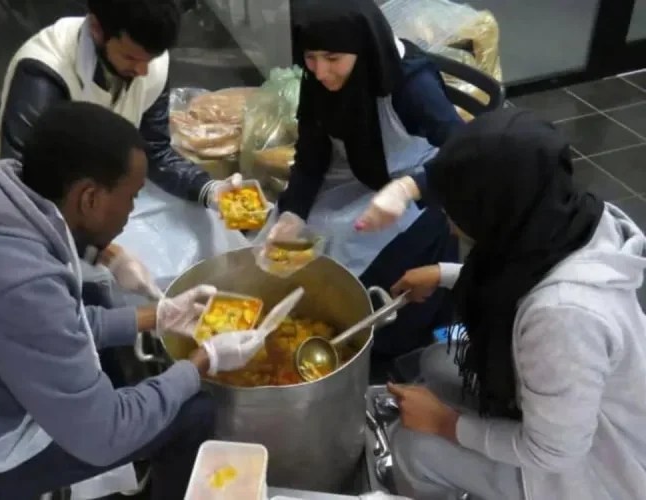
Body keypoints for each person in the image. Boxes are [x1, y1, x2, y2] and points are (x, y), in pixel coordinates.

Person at [0, 102, 265, 500]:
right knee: (190, 413)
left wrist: (157, 316)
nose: (131, 211)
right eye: (132, 196)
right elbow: (106, 435)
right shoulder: (19, 282)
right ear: (89, 198)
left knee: (123, 382)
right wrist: (203, 361)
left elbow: (55, 324)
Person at [386, 109, 646, 500]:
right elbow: (525, 282)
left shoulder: (563, 318)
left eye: (455, 210)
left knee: (411, 446)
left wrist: (445, 424)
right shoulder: (563, 218)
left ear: (496, 209)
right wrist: (444, 274)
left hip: (592, 472)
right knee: (436, 361)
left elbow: (554, 451)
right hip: (570, 409)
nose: (450, 222)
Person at [0, 0, 248, 301]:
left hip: (107, 175)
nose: (143, 70)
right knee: (88, 287)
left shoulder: (147, 63)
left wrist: (209, 189)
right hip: (43, 202)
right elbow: (25, 197)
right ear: (97, 29)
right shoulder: (43, 76)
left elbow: (156, 151)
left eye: (151, 58)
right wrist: (104, 254)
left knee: (207, 228)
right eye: (131, 57)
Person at [266, 0, 463, 362]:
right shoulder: (319, 80)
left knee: (346, 244)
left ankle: (392, 348)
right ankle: (310, 324)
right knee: (286, 231)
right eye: (311, 58)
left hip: (423, 184)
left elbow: (466, 152)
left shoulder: (410, 83)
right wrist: (293, 211)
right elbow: (311, 154)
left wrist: (409, 189)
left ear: (363, 47)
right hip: (362, 174)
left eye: (333, 58)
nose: (321, 72)